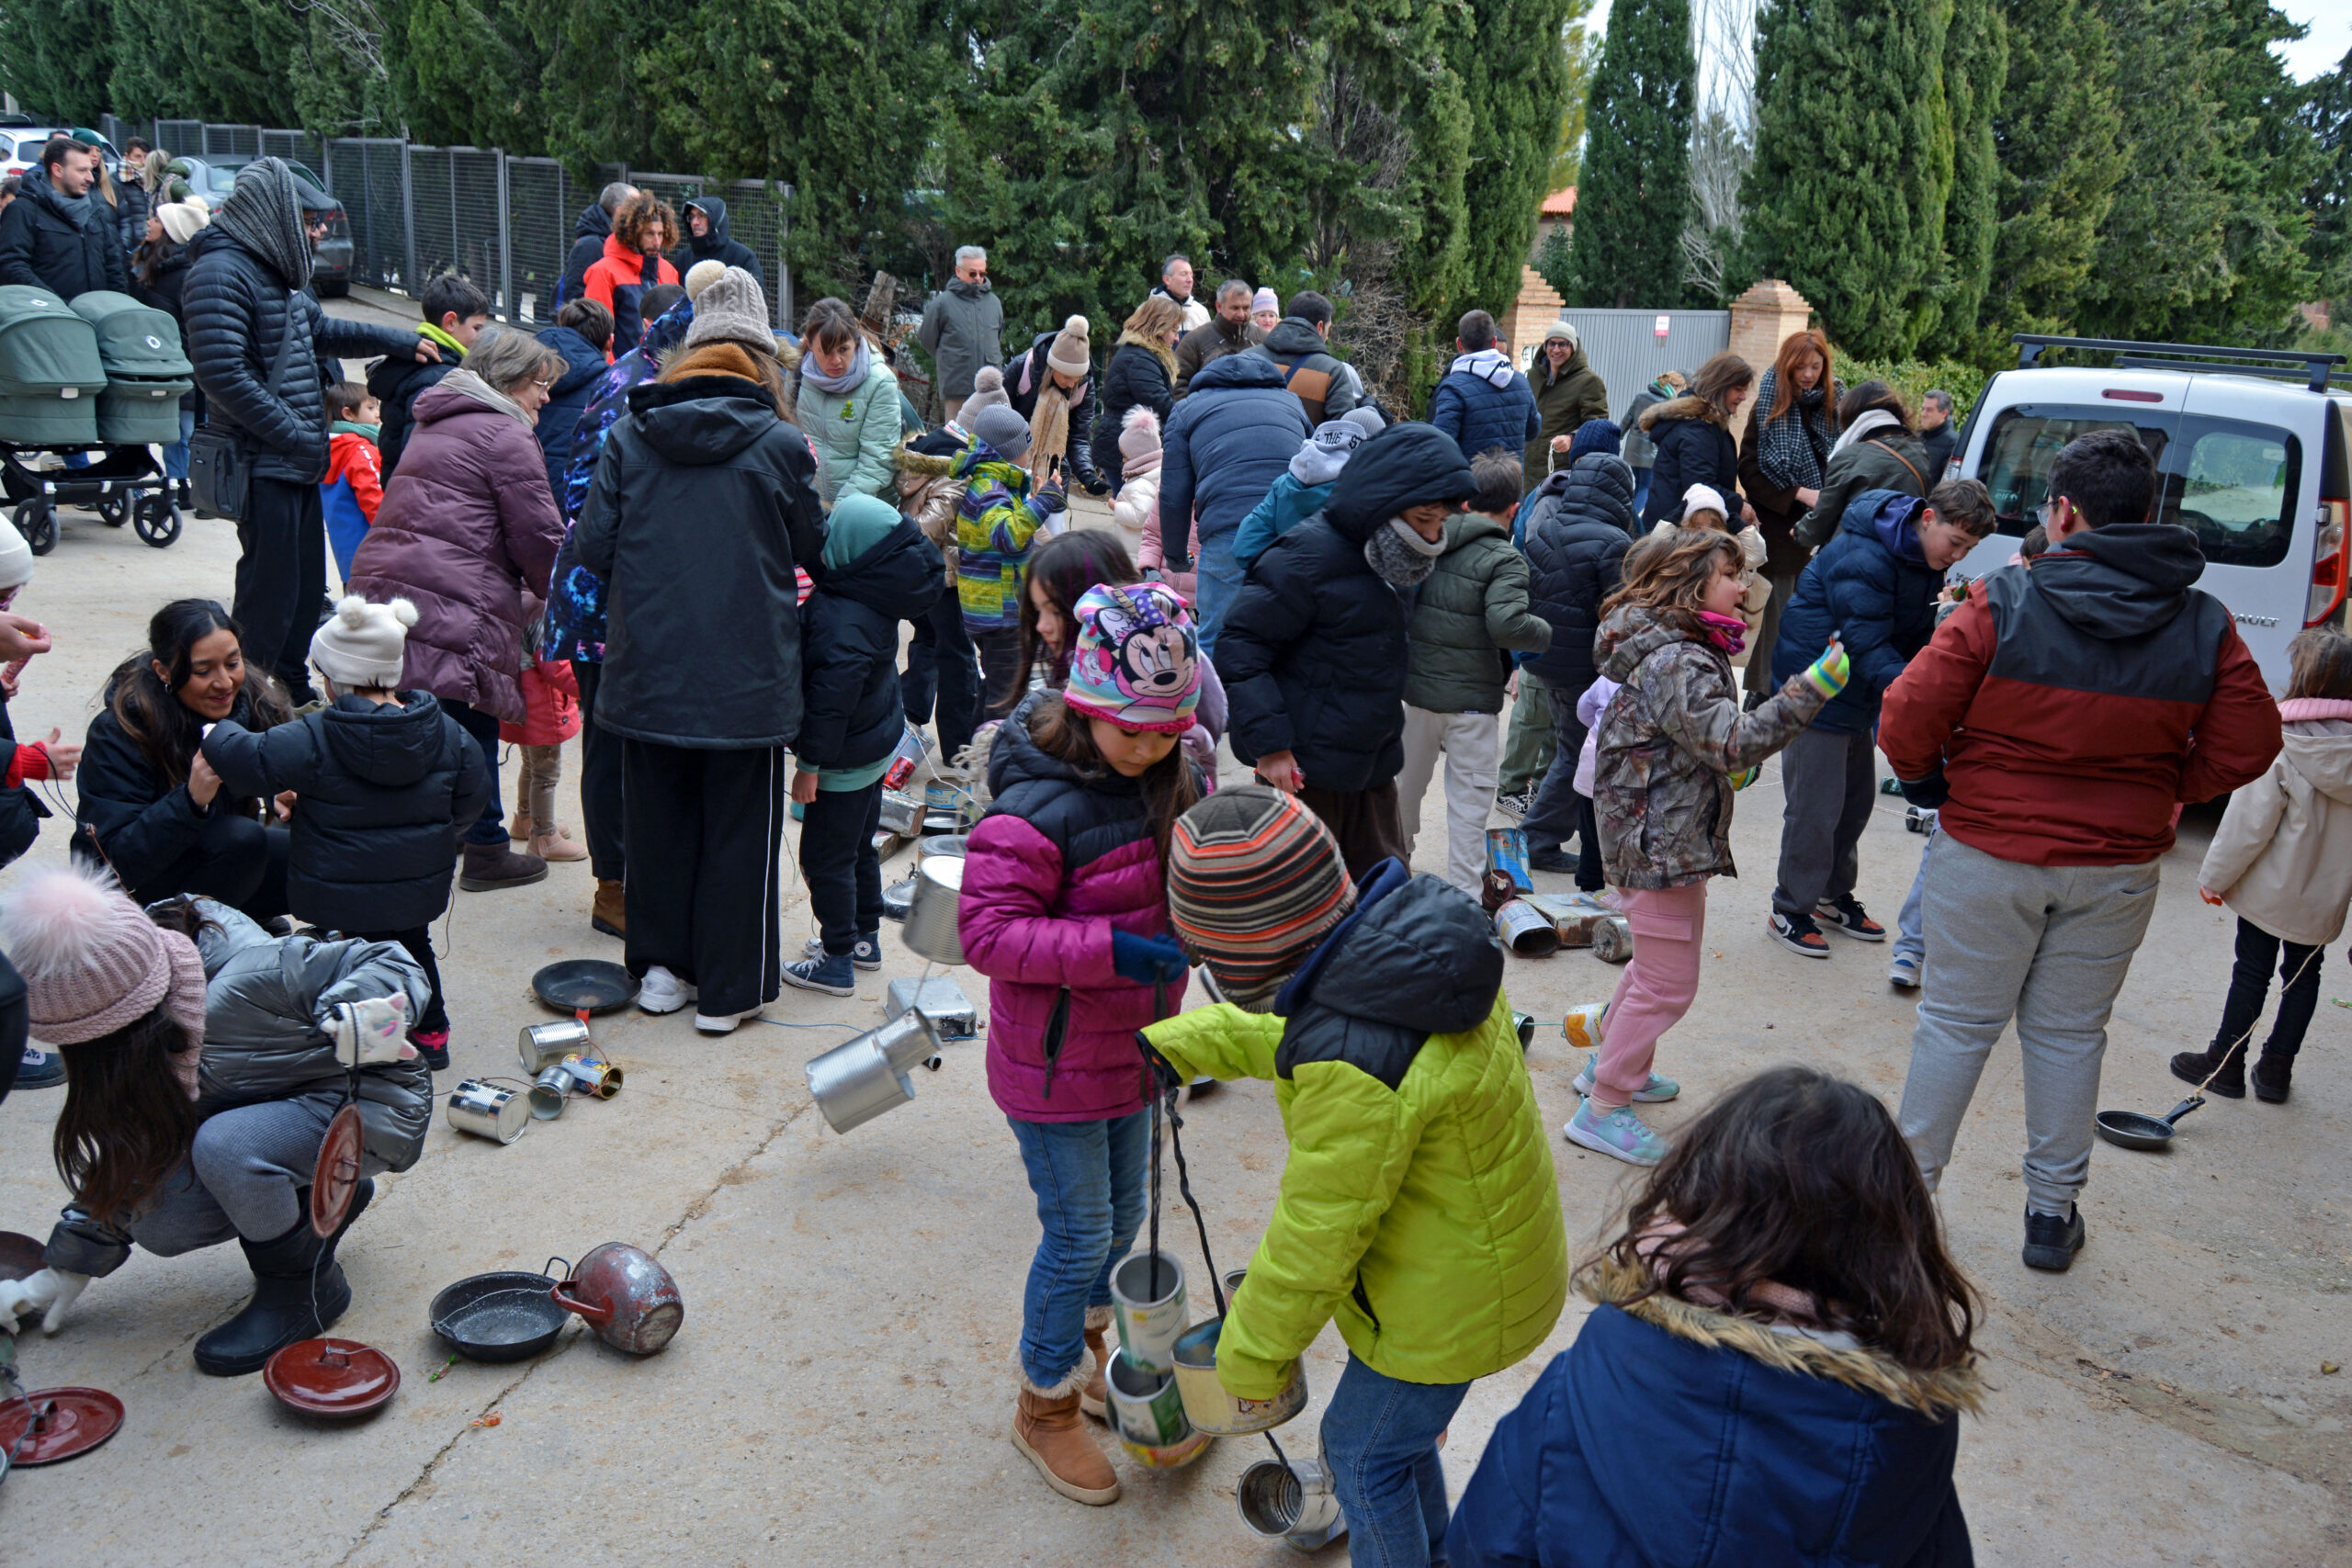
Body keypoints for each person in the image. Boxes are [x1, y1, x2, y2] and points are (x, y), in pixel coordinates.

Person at [1883, 429, 2280, 1271]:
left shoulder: (2002, 598)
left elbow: (1906, 714)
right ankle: (2050, 1215)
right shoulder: (2204, 620)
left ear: (2062, 512)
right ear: (2146, 511)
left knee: (1954, 1027)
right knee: (2068, 1035)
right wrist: (2164, 785)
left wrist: (1931, 784)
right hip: (2116, 864)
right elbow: (2252, 741)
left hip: (1988, 849)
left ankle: (1904, 1215)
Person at [1143, 786, 1568, 1562]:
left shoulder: (1353, 1061)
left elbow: (1314, 1239)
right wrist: (1184, 1042)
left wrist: (1249, 1357)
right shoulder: (1412, 955)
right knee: (1394, 1444)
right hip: (1483, 1271)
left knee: (1360, 1456)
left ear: (1245, 956)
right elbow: (1296, 1030)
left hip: (1443, 1311)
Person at [1448, 1065, 1981, 1568]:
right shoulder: (1910, 1431)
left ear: (1697, 1202)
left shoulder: (1593, 1371)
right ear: (1891, 1241)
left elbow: (1488, 1540)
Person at [956, 584, 1202, 1505]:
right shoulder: (1032, 811)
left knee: (1122, 1218)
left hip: (1136, 1051)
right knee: (1078, 1234)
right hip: (1054, 1066)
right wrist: (1110, 950)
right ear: (1087, 706)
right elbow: (986, 934)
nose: (1149, 749)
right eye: (1132, 732)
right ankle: (1045, 1401)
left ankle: (1087, 1348)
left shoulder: (1170, 778)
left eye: (1166, 733)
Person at [0, 870, 429, 1376]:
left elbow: (390, 960)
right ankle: (301, 1200)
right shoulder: (129, 1050)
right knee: (161, 1222)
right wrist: (66, 1266)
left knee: (226, 1145)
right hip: (271, 1122)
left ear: (124, 1020)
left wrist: (362, 1012)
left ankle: (302, 1289)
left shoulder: (254, 973)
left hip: (368, 1108)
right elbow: (129, 1150)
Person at [574, 266, 827, 1033]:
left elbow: (592, 547)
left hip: (648, 665)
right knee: (739, 832)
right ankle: (727, 990)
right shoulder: (781, 443)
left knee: (657, 823)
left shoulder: (630, 433)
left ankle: (660, 971)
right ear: (762, 359)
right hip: (747, 673)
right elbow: (813, 546)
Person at [1570, 531, 1845, 1165]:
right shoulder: (1679, 658)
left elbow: (1701, 743)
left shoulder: (1684, 646)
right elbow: (1730, 743)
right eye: (1730, 574)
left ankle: (1610, 1068)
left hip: (1665, 834)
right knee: (1667, 984)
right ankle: (1604, 1107)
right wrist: (1811, 688)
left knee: (1652, 970)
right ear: (1693, 586)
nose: (1743, 586)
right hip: (1657, 843)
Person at [198, 596, 488, 1070]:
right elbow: (471, 800)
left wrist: (216, 731)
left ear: (334, 680)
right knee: (415, 947)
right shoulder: (448, 733)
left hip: (341, 888)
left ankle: (363, 1041)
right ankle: (432, 1034)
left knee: (354, 958)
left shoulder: (314, 736)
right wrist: (433, 836)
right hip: (417, 884)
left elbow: (248, 762)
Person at [183, 157, 435, 699]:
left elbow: (321, 331)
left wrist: (398, 340)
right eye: (309, 219)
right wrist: (297, 435)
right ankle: (250, 700)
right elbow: (223, 376)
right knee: (268, 595)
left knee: (301, 594)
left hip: (292, 461)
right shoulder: (219, 272)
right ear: (271, 214)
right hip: (264, 461)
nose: (319, 231)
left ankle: (290, 687)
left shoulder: (278, 271)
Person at [346, 325, 568, 895]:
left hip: (394, 585)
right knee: (471, 718)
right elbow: (538, 537)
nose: (546, 396)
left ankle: (445, 830)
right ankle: (486, 846)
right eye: (540, 383)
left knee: (425, 718)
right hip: (448, 594)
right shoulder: (505, 432)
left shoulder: (440, 418)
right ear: (510, 380)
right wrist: (563, 596)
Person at [1220, 422, 1474, 876]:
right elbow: (1241, 648)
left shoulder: (1397, 560)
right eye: (1423, 520)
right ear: (1382, 503)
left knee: (1385, 892)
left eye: (1440, 523)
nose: (1432, 534)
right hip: (1302, 772)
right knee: (1303, 895)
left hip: (1372, 767)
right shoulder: (1303, 557)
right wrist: (1271, 747)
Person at [1765, 481, 1996, 959]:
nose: (1958, 555)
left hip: (1859, 696)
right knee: (1815, 810)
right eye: (1956, 542)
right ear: (1927, 519)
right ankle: (1789, 908)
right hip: (1816, 695)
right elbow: (1866, 643)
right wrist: (1924, 691)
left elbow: (1907, 637)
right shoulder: (1864, 555)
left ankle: (1830, 895)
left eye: (1969, 549)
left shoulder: (1921, 557)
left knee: (1854, 805)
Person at [546, 282, 690, 938]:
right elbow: (588, 515)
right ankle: (613, 887)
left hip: (642, 600)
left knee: (643, 746)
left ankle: (643, 876)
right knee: (609, 745)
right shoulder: (632, 390)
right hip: (603, 603)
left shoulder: (663, 377)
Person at [2171, 629, 2352, 1104]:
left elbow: (2249, 825)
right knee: (2304, 977)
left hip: (2269, 893)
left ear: (2304, 679)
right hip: (2325, 900)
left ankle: (2225, 1065)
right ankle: (2276, 1071)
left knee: (2251, 972)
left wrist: (2214, 878)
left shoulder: (2283, 741)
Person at [784, 494, 944, 994]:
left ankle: (835, 960)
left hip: (842, 761)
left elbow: (831, 704)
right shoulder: (873, 594)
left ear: (851, 549)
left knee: (824, 860)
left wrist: (809, 766)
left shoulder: (840, 620)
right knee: (857, 849)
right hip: (872, 748)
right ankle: (863, 941)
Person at [75, 601, 295, 919]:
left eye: (233, 663)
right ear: (163, 671)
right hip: (134, 891)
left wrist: (283, 791)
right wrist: (191, 801)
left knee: (320, 851)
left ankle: (256, 921)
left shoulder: (256, 701)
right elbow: (114, 862)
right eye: (203, 671)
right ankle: (189, 937)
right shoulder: (121, 730)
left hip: (222, 867)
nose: (224, 682)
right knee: (241, 839)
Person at [1396, 451, 1552, 894]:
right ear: (1514, 510)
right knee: (1468, 806)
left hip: (1418, 693)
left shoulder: (1429, 541)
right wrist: (1546, 633)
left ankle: (1392, 870)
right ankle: (1463, 896)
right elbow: (1507, 624)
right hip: (1472, 704)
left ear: (1465, 502)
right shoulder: (1506, 559)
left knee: (1405, 789)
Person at [1516, 431, 1641, 882]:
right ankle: (1538, 838)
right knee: (1576, 752)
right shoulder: (1613, 542)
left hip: (1544, 657)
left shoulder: (1546, 527)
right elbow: (1619, 616)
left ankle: (1546, 833)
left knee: (1567, 747)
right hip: (1582, 667)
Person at [1157, 349, 1311, 660]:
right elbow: (1313, 465)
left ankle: (1217, 693)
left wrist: (1175, 556)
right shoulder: (1292, 402)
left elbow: (1174, 493)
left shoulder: (1187, 409)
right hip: (1291, 528)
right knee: (1288, 639)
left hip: (1228, 528)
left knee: (1216, 637)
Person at [1736, 329, 1840, 703]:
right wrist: (1798, 493)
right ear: (1787, 367)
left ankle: (1795, 696)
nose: (1808, 375)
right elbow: (1749, 470)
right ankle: (1763, 701)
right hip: (1781, 540)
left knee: (1811, 629)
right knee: (1774, 629)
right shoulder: (1769, 403)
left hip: (1824, 538)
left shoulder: (1835, 405)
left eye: (1816, 366)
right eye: (1800, 367)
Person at [956, 404, 1068, 714]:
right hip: (998, 612)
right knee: (1006, 695)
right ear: (1008, 452)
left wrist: (1033, 500)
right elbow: (1007, 536)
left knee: (995, 686)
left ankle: (978, 741)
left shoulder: (996, 484)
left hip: (995, 607)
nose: (1029, 455)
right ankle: (996, 742)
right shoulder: (989, 490)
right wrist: (1044, 502)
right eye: (1025, 448)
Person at [896, 403, 988, 769]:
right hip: (946, 580)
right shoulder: (957, 470)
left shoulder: (924, 453)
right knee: (958, 658)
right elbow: (926, 529)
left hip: (922, 578)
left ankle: (908, 720)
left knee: (928, 642)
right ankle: (959, 747)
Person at [1230, 409, 1383, 575]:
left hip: (1283, 587)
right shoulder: (1373, 496)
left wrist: (1286, 575)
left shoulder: (1285, 483)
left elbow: (1244, 546)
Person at [368, 271, 490, 478]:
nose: (481, 337)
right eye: (476, 328)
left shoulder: (414, 358)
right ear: (450, 322)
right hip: (422, 490)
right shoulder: (438, 376)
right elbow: (422, 454)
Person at [132, 196, 209, 506]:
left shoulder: (181, 274)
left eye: (156, 219)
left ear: (170, 231)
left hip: (182, 363)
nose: (149, 223)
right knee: (175, 427)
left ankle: (187, 486)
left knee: (184, 428)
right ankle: (179, 484)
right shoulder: (153, 265)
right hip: (163, 360)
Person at [794, 296, 903, 508]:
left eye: (843, 349)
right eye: (825, 352)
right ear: (809, 345)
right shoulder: (799, 374)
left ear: (857, 341)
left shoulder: (880, 381)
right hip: (813, 508)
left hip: (863, 510)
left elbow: (877, 461)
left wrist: (840, 514)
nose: (836, 361)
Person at [1797, 381, 1930, 550]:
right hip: (1900, 556)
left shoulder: (1851, 456)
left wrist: (1800, 531)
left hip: (1851, 556)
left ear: (1851, 415)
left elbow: (1821, 524)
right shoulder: (1919, 452)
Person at [0, 135, 129, 299]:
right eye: (82, 170)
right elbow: (12, 265)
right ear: (57, 170)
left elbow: (113, 264)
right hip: (51, 311)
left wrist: (118, 303)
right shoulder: (24, 210)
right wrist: (55, 303)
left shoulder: (93, 210)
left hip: (97, 310)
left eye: (90, 170)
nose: (90, 178)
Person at [1636, 352, 1751, 531]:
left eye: (1745, 390)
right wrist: (1739, 505)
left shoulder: (1705, 423)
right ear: (1719, 387)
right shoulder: (1698, 428)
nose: (1743, 397)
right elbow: (1701, 486)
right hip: (1678, 531)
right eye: (1738, 389)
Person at [1650, 482, 1769, 646]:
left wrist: (1742, 528)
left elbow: (1757, 555)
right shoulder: (1683, 553)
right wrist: (1668, 524)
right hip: (1686, 625)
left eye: (1713, 525)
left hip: (1720, 626)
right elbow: (1655, 551)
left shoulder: (1728, 554)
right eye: (1698, 526)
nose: (1706, 531)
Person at [1090, 296, 1183, 491]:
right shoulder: (1140, 359)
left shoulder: (1139, 354)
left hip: (1124, 445)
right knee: (1134, 506)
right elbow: (1160, 403)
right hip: (1126, 449)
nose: (1177, 339)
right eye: (1174, 331)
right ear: (1159, 327)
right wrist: (1189, 417)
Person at [1003, 313, 1102, 492]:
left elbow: (1079, 439)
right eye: (1066, 377)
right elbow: (998, 419)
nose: (1071, 384)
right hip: (1012, 461)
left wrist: (1088, 476)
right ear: (1053, 367)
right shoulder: (1022, 368)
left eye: (1077, 378)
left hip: (1055, 466)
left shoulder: (1084, 386)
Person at [1430, 309, 1539, 468]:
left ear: (1459, 344)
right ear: (1494, 342)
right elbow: (1533, 430)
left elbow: (1440, 445)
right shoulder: (1521, 382)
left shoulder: (1453, 388)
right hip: (1511, 479)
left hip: (1469, 480)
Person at [583, 191, 683, 358]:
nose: (657, 242)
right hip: (623, 369)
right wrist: (614, 372)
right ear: (632, 233)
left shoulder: (668, 270)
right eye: (649, 233)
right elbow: (597, 336)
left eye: (660, 234)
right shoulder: (603, 272)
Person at [533, 297, 613, 499]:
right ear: (609, 342)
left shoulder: (525, 365)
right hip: (576, 493)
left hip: (525, 483)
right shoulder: (610, 384)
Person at [919, 245, 1005, 424]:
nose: (978, 278)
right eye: (973, 273)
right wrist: (951, 359)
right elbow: (927, 340)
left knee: (990, 438)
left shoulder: (994, 302)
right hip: (957, 389)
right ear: (958, 271)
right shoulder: (942, 303)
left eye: (982, 273)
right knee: (957, 438)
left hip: (990, 390)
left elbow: (998, 338)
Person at [1252, 290, 1363, 427]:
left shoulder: (1247, 357)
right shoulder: (1332, 372)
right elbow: (1341, 432)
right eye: (1328, 328)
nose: (1327, 336)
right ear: (1320, 327)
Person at [1523, 321, 1608, 491]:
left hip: (1560, 470)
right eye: (1552, 344)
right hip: (1527, 466)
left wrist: (1571, 438)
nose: (1556, 350)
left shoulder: (1588, 381)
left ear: (1573, 347)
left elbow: (1597, 424)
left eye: (1563, 344)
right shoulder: (1533, 375)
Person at [1114, 408, 1186, 594]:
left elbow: (1142, 514)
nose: (1123, 460)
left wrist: (1117, 507)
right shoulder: (1158, 474)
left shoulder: (1140, 484)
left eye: (1125, 455)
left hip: (1135, 551)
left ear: (1137, 456)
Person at [320, 381, 384, 582]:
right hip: (373, 550)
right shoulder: (361, 451)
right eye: (371, 408)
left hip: (346, 551)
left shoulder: (327, 449)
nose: (378, 414)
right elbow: (375, 500)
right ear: (348, 414)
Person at [1172, 278, 1259, 397]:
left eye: (1246, 308)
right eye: (1235, 308)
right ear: (1219, 306)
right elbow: (1177, 384)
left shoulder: (1262, 340)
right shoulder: (1194, 341)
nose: (1241, 314)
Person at [1618, 369, 1685, 517]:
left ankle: (1627, 517)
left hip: (1632, 450)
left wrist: (1619, 437)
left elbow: (1627, 419)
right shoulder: (1668, 403)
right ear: (1676, 386)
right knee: (1646, 487)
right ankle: (1633, 521)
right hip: (1650, 452)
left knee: (1639, 485)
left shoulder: (1641, 396)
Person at [558, 181, 637, 307]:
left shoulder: (615, 241)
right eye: (636, 208)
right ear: (620, 212)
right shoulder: (590, 246)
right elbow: (575, 297)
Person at [682, 195, 763, 291]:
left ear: (716, 219)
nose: (695, 222)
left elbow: (756, 296)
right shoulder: (684, 258)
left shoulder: (742, 257)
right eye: (692, 217)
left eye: (701, 216)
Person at [1149, 252, 1211, 333]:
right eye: (1183, 274)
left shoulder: (1202, 313)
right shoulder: (1149, 311)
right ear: (1167, 279)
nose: (1190, 280)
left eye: (1191, 275)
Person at [115, 136, 152, 253]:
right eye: (138, 156)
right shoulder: (116, 180)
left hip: (150, 240)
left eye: (145, 157)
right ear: (127, 156)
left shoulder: (152, 178)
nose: (142, 161)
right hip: (130, 244)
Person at [1918, 388, 1958, 476]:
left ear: (1944, 413)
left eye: (1929, 410)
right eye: (1923, 409)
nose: (1923, 414)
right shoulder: (1914, 436)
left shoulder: (1953, 444)